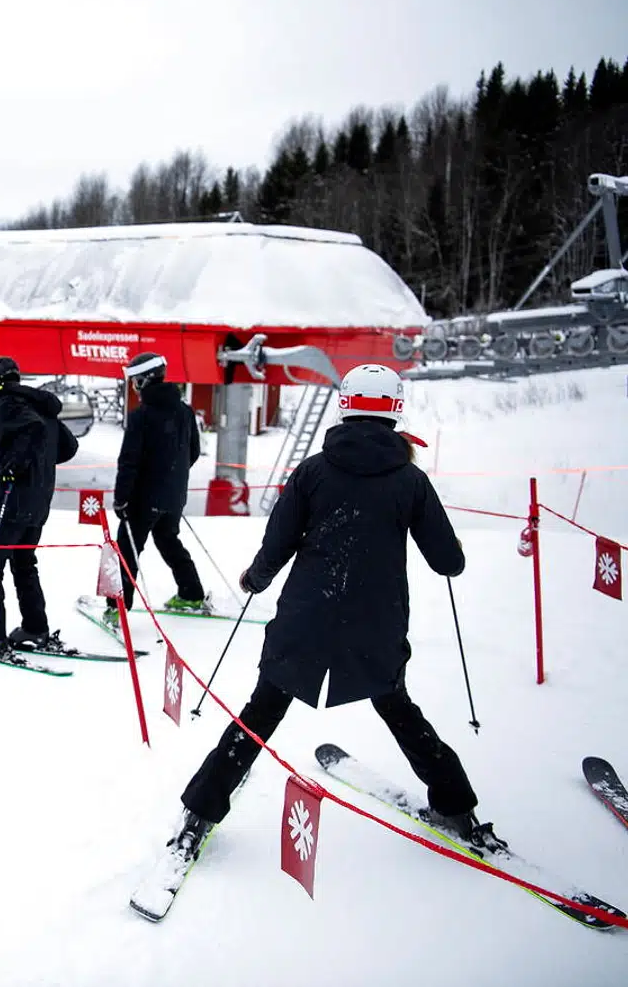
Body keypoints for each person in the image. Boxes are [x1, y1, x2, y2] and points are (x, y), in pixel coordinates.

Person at [165, 363, 498, 866]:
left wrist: (256, 578)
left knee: (262, 712)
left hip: (305, 619)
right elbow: (447, 562)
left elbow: (278, 541)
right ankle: (456, 807)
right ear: (395, 410)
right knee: (398, 710)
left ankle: (200, 814)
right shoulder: (410, 479)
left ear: (346, 405)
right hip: (376, 623)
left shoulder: (314, 471)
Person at [0, 356, 78, 656]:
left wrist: (14, 467)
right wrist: (40, 465)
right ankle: (35, 628)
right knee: (24, 564)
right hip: (39, 502)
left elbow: (32, 432)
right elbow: (68, 446)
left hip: (12, 500)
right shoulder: (41, 406)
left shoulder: (9, 403)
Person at [106, 353, 207, 624]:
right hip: (174, 497)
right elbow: (194, 451)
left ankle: (117, 607)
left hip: (142, 499)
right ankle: (192, 592)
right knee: (168, 541)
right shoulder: (185, 411)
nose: (134, 386)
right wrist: (171, 479)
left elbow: (129, 461)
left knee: (126, 551)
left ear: (144, 380)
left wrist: (121, 499)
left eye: (135, 381)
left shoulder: (142, 416)